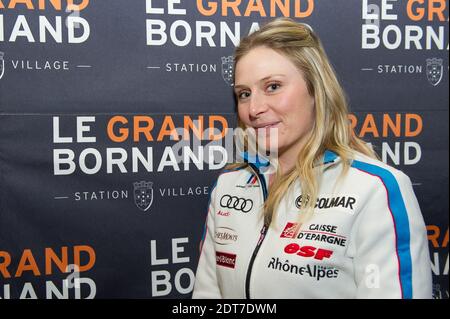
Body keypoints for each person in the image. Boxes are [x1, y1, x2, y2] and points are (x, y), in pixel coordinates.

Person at [192, 18, 432, 299]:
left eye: (272, 87)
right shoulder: (228, 186)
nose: (254, 108)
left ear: (317, 90)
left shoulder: (376, 189)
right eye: (244, 94)